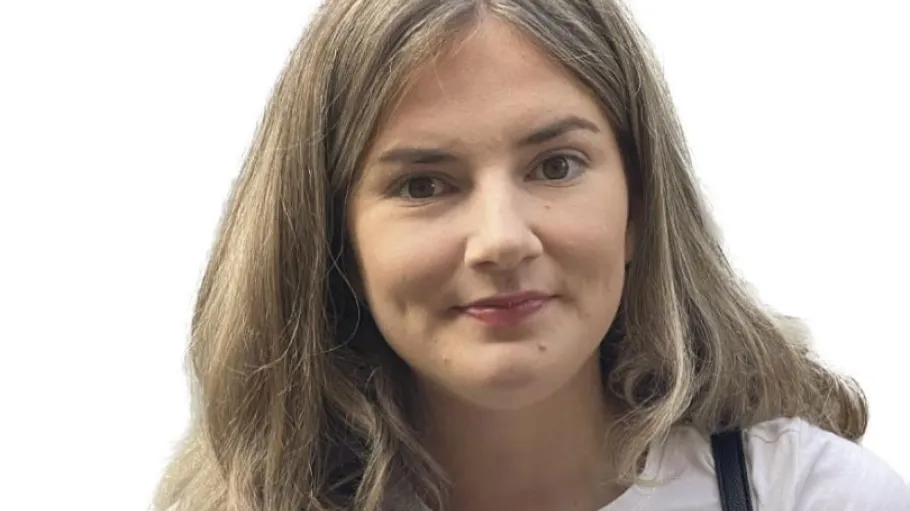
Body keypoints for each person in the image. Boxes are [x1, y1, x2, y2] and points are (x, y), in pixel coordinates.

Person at [155, 1, 909, 510]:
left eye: (556, 166)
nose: (503, 239)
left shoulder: (813, 497)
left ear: (641, 207)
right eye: (424, 184)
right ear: (334, 242)